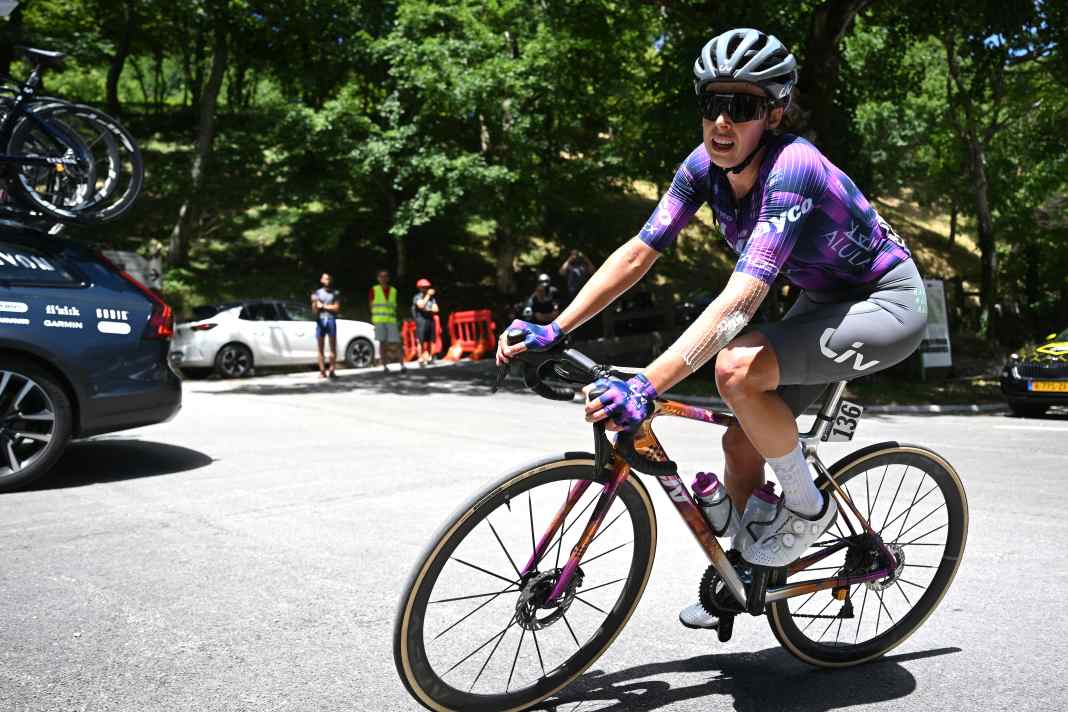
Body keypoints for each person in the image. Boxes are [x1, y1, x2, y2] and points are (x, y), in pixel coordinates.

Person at [497, 28, 926, 631]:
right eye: (711, 104)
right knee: (738, 440)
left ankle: (808, 508)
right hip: (821, 301)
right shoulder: (702, 167)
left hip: (886, 304)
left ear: (773, 112)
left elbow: (740, 300)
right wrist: (554, 327)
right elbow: (638, 253)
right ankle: (746, 574)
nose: (722, 122)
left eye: (742, 106)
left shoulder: (793, 169)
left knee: (736, 368)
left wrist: (645, 382)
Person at [369, 268, 405, 374]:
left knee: (397, 343)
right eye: (381, 276)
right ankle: (385, 366)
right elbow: (371, 305)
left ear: (388, 278)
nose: (383, 278)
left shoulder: (393, 291)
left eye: (385, 276)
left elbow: (395, 306)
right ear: (378, 278)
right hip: (379, 321)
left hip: (391, 320)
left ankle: (402, 365)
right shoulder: (374, 290)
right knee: (382, 344)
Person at [311, 272, 340, 378]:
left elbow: (336, 308)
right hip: (320, 320)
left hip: (331, 320)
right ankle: (322, 371)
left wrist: (322, 305)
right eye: (325, 279)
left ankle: (332, 370)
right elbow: (314, 310)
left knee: (333, 347)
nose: (327, 280)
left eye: (328, 279)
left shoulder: (335, 293)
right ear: (321, 280)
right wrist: (314, 303)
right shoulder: (317, 293)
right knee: (320, 347)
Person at [412, 278, 440, 367]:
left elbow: (436, 309)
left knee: (432, 340)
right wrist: (427, 296)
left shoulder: (432, 299)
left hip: (430, 320)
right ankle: (420, 359)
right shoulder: (417, 297)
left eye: (427, 287)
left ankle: (430, 358)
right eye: (424, 287)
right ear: (420, 288)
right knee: (420, 340)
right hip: (421, 320)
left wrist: (428, 309)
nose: (426, 289)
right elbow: (421, 305)